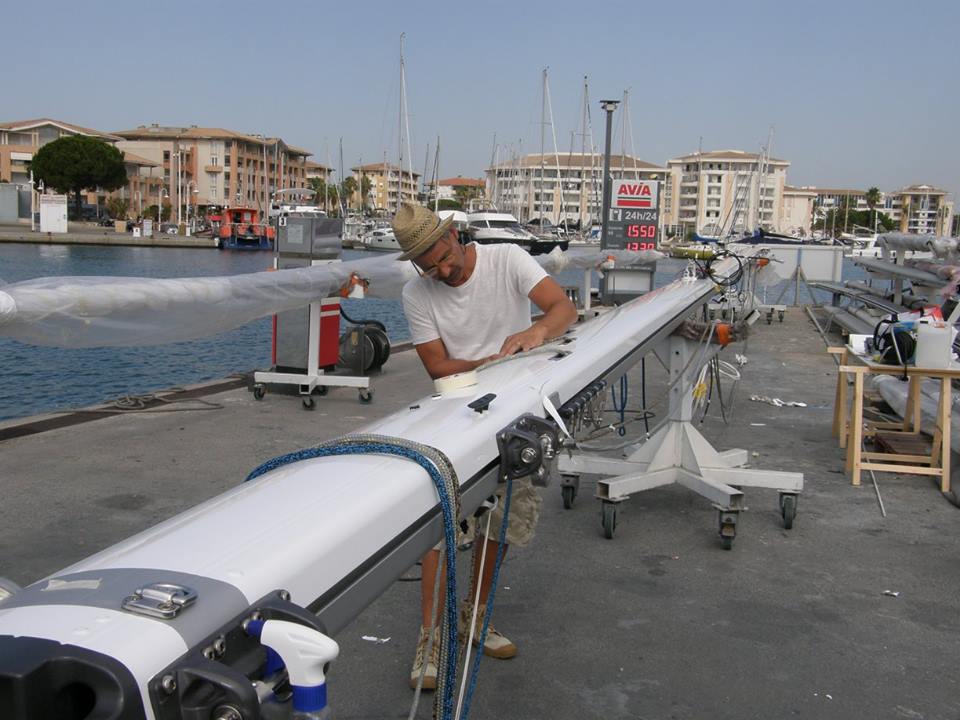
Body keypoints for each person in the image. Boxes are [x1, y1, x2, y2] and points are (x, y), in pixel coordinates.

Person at [391, 204, 577, 689]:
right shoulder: (417, 292)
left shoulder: (508, 260)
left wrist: (535, 331)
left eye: (445, 258)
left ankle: (474, 616)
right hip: (455, 414)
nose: (443, 272)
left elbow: (563, 308)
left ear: (454, 235)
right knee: (438, 525)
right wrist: (493, 360)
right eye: (429, 268)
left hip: (520, 409)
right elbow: (436, 366)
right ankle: (429, 636)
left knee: (504, 520)